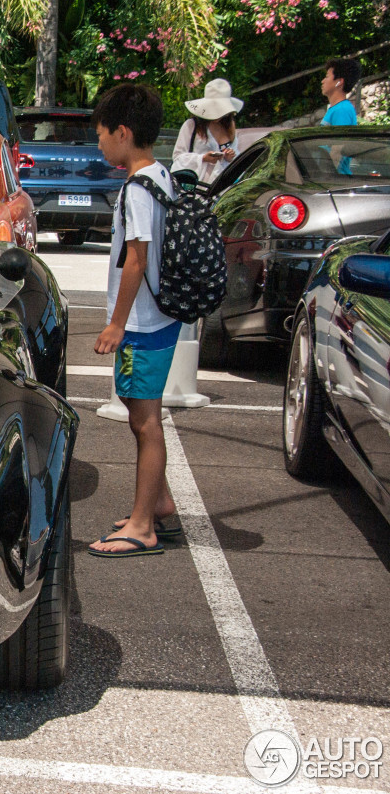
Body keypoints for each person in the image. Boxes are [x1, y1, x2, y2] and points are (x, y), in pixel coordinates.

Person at [89, 83, 181, 558]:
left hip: (143, 323)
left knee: (145, 423)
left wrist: (116, 324)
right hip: (159, 317)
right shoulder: (162, 175)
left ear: (123, 132)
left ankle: (143, 526)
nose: (99, 142)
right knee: (139, 412)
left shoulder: (137, 189)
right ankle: (158, 501)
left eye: (102, 134)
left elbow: (136, 261)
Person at [171, 78, 242, 185]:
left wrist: (229, 157)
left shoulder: (229, 127)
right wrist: (203, 158)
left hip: (221, 188)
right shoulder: (192, 125)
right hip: (195, 188)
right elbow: (178, 157)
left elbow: (236, 158)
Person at [320, 57, 360, 126]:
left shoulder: (342, 110)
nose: (322, 81)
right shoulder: (337, 108)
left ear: (339, 82)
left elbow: (340, 137)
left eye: (327, 76)